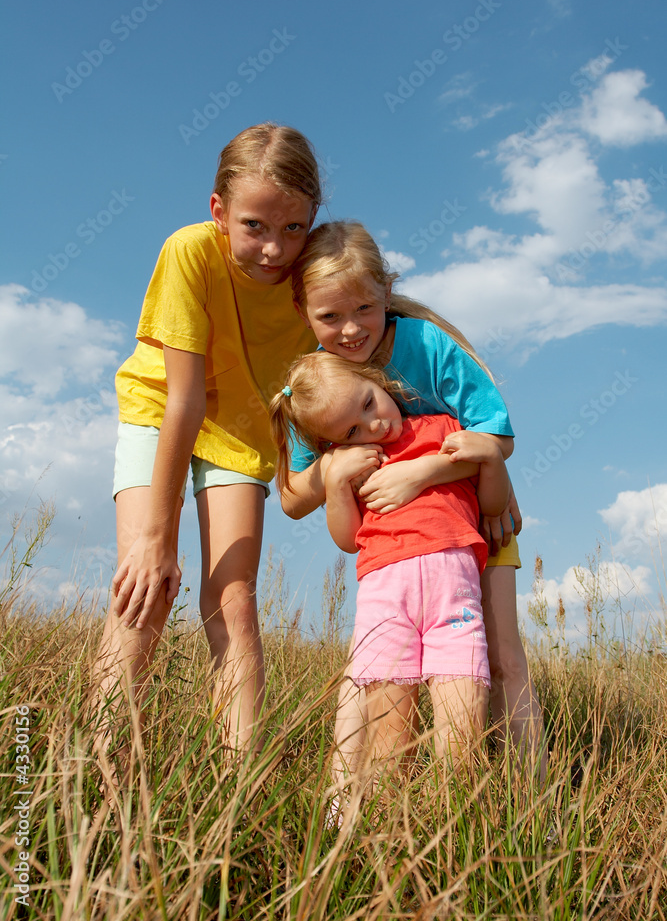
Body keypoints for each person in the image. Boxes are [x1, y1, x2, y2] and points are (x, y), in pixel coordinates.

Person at [281, 221, 547, 791]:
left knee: (501, 656)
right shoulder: (324, 380)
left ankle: (533, 801)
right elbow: (290, 496)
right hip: (399, 552)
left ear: (386, 291)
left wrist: (422, 470)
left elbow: (497, 438)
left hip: (477, 519)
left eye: (364, 309)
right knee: (370, 671)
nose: (351, 330)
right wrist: (331, 470)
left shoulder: (427, 346)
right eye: (330, 317)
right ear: (304, 311)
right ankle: (344, 800)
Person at [93, 123, 321, 773]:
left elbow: (369, 316)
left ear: (312, 219)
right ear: (217, 210)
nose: (274, 250)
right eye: (254, 226)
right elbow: (185, 401)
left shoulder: (311, 275)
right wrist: (155, 539)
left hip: (240, 434)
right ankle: (102, 767)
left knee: (234, 600)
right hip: (161, 408)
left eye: (294, 229)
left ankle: (238, 785)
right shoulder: (190, 251)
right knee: (146, 584)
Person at [270, 352, 510, 776]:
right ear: (332, 442)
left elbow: (491, 504)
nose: (374, 426)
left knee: (463, 736)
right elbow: (348, 540)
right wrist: (338, 484)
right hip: (385, 604)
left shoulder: (445, 429)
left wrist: (490, 458)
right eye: (351, 430)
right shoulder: (355, 460)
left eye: (368, 404)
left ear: (374, 378)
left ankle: (456, 825)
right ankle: (387, 832)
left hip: (453, 602)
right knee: (389, 745)